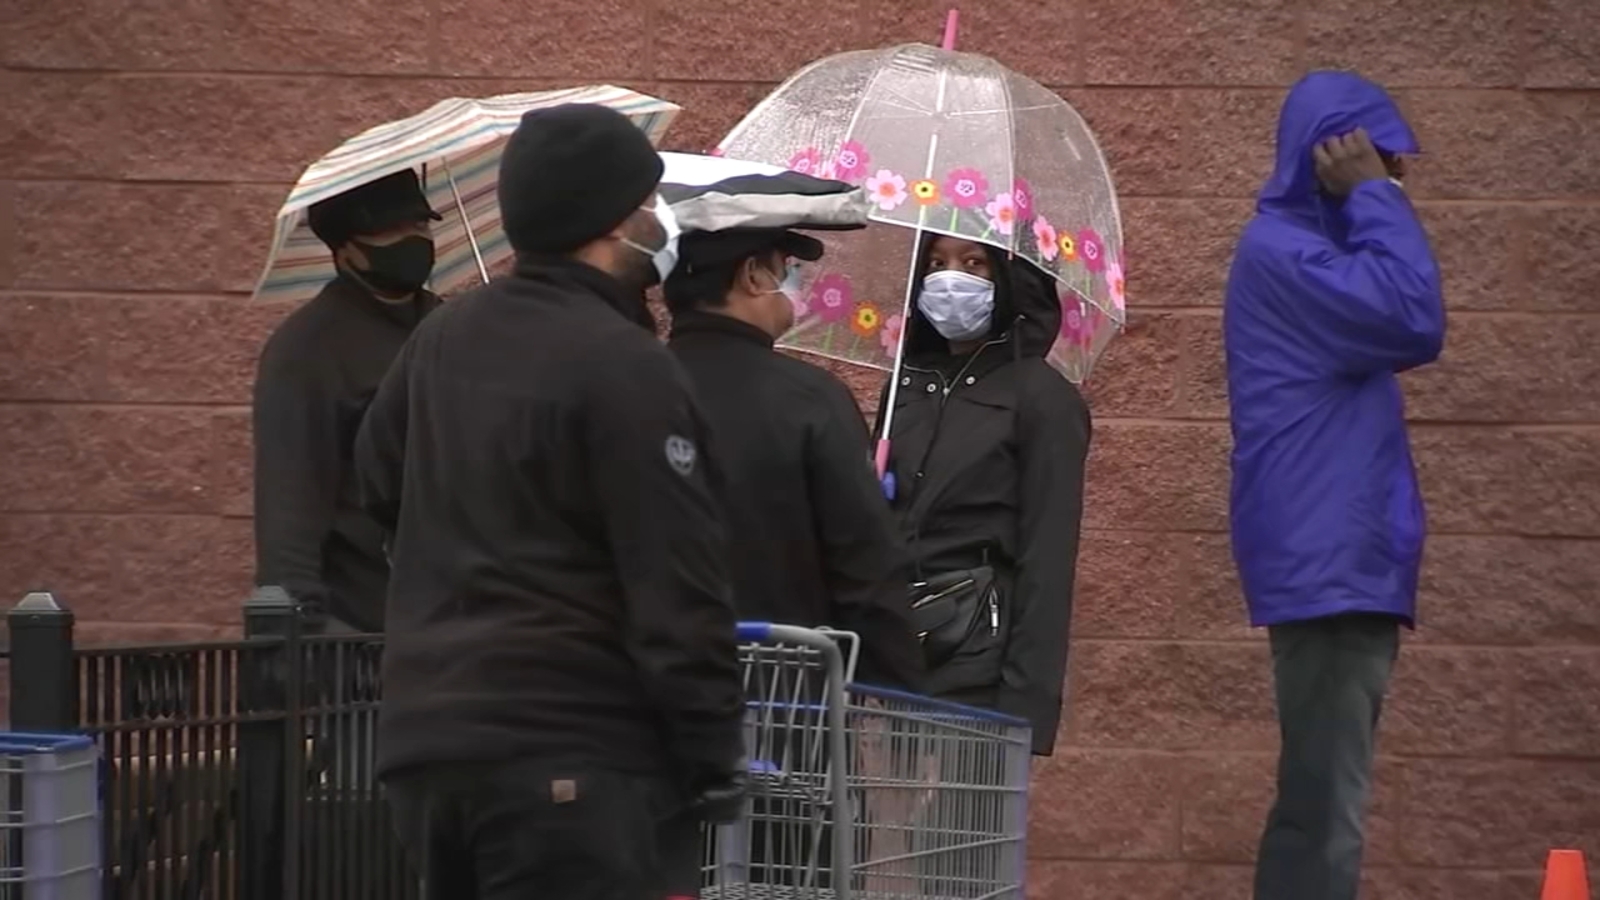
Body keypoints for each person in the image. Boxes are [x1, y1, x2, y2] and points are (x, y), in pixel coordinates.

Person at [353, 104, 747, 900]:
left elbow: (376, 486)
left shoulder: (438, 339)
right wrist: (711, 751)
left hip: (428, 746)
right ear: (610, 222)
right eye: (646, 201)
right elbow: (676, 578)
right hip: (570, 748)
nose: (658, 219)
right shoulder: (625, 364)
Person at [1223, 70, 1445, 900]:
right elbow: (1416, 318)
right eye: (1384, 159)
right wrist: (1374, 196)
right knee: (1325, 809)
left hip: (1341, 557)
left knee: (1322, 796)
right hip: (1328, 561)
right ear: (1333, 156)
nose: (1397, 177)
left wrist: (1370, 197)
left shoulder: (1315, 255)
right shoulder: (1285, 254)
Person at [664, 224, 926, 691]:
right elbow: (864, 564)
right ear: (752, 275)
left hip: (637, 691)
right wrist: (902, 689)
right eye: (786, 267)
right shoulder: (810, 399)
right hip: (781, 697)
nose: (795, 281)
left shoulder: (621, 388)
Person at [876, 235, 1091, 757]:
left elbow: (1047, 557)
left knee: (967, 807)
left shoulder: (1042, 397)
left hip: (981, 662)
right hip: (901, 654)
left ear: (1009, 278)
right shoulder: (904, 387)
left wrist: (1024, 704)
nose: (950, 279)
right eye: (935, 263)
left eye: (974, 264)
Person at [252, 168, 442, 633]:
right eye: (391, 229)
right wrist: (306, 632)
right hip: (366, 628)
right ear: (345, 248)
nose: (413, 238)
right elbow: (290, 507)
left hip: (456, 619)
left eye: (420, 224)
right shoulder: (307, 350)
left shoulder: (447, 328)